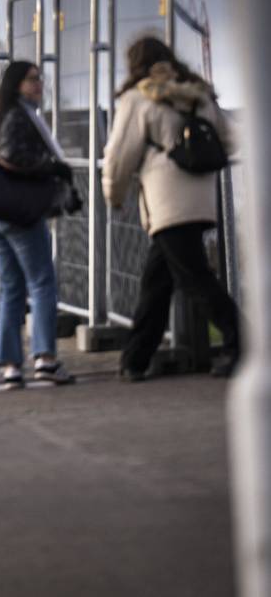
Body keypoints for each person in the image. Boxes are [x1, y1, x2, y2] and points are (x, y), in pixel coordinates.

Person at [103, 36, 239, 381]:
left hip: (165, 198)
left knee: (195, 279)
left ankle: (246, 347)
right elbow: (229, 138)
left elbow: (119, 156)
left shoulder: (137, 99)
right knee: (157, 282)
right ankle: (135, 359)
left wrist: (113, 194)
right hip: (200, 194)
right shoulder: (199, 93)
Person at [0, 61, 77, 389]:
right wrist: (50, 169)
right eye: (32, 79)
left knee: (11, 288)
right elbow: (13, 157)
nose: (39, 84)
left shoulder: (2, 115)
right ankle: (46, 359)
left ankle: (10, 365)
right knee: (42, 283)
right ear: (16, 84)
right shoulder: (20, 116)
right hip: (18, 214)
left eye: (40, 79)